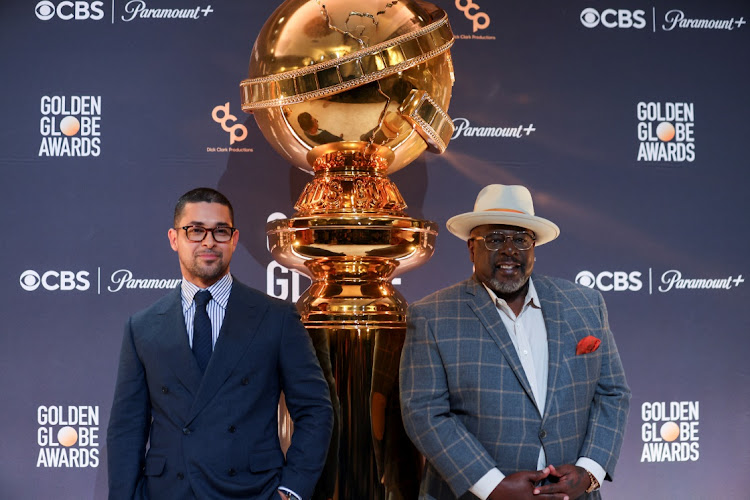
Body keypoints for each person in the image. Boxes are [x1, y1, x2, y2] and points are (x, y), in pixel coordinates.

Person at [399, 184, 630, 500]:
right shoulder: (432, 316)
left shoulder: (584, 305)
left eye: (521, 239)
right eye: (494, 239)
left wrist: (590, 471)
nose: (509, 249)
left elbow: (612, 393)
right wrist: (492, 485)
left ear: (533, 248)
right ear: (471, 248)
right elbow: (425, 412)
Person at [107, 187, 333, 500]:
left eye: (220, 231)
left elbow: (315, 410)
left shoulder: (275, 317)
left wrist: (291, 491)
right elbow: (126, 429)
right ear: (175, 239)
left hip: (252, 491)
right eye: (196, 230)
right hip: (167, 491)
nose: (209, 241)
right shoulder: (142, 327)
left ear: (235, 239)